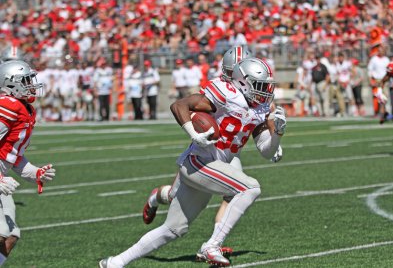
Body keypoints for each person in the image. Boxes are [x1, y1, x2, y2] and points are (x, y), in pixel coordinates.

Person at [100, 57, 285, 268]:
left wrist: (277, 134)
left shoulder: (262, 107)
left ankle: (115, 262)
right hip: (200, 161)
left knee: (173, 229)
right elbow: (179, 105)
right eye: (260, 85)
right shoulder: (226, 94)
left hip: (215, 165)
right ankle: (212, 245)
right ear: (243, 82)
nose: (266, 90)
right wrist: (193, 134)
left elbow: (266, 150)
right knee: (250, 188)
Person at [142, 46, 282, 260]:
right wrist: (194, 132)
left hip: (230, 153)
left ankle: (212, 244)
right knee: (173, 197)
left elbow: (262, 116)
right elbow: (191, 109)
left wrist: (273, 140)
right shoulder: (223, 90)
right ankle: (156, 197)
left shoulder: (257, 94)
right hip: (207, 152)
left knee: (236, 192)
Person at [0, 60, 56, 264]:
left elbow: (12, 157)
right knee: (2, 231)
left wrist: (34, 172)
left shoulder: (25, 109)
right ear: (10, 83)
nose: (31, 84)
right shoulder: (7, 105)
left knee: (11, 234)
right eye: (25, 80)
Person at [367, 45, 390, 117]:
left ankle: (383, 111)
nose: (381, 52)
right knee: (376, 97)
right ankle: (376, 112)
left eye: (382, 50)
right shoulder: (374, 59)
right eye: (379, 50)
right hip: (376, 79)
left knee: (385, 96)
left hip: (384, 80)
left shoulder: (386, 59)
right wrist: (370, 80)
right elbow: (370, 70)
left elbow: (389, 70)